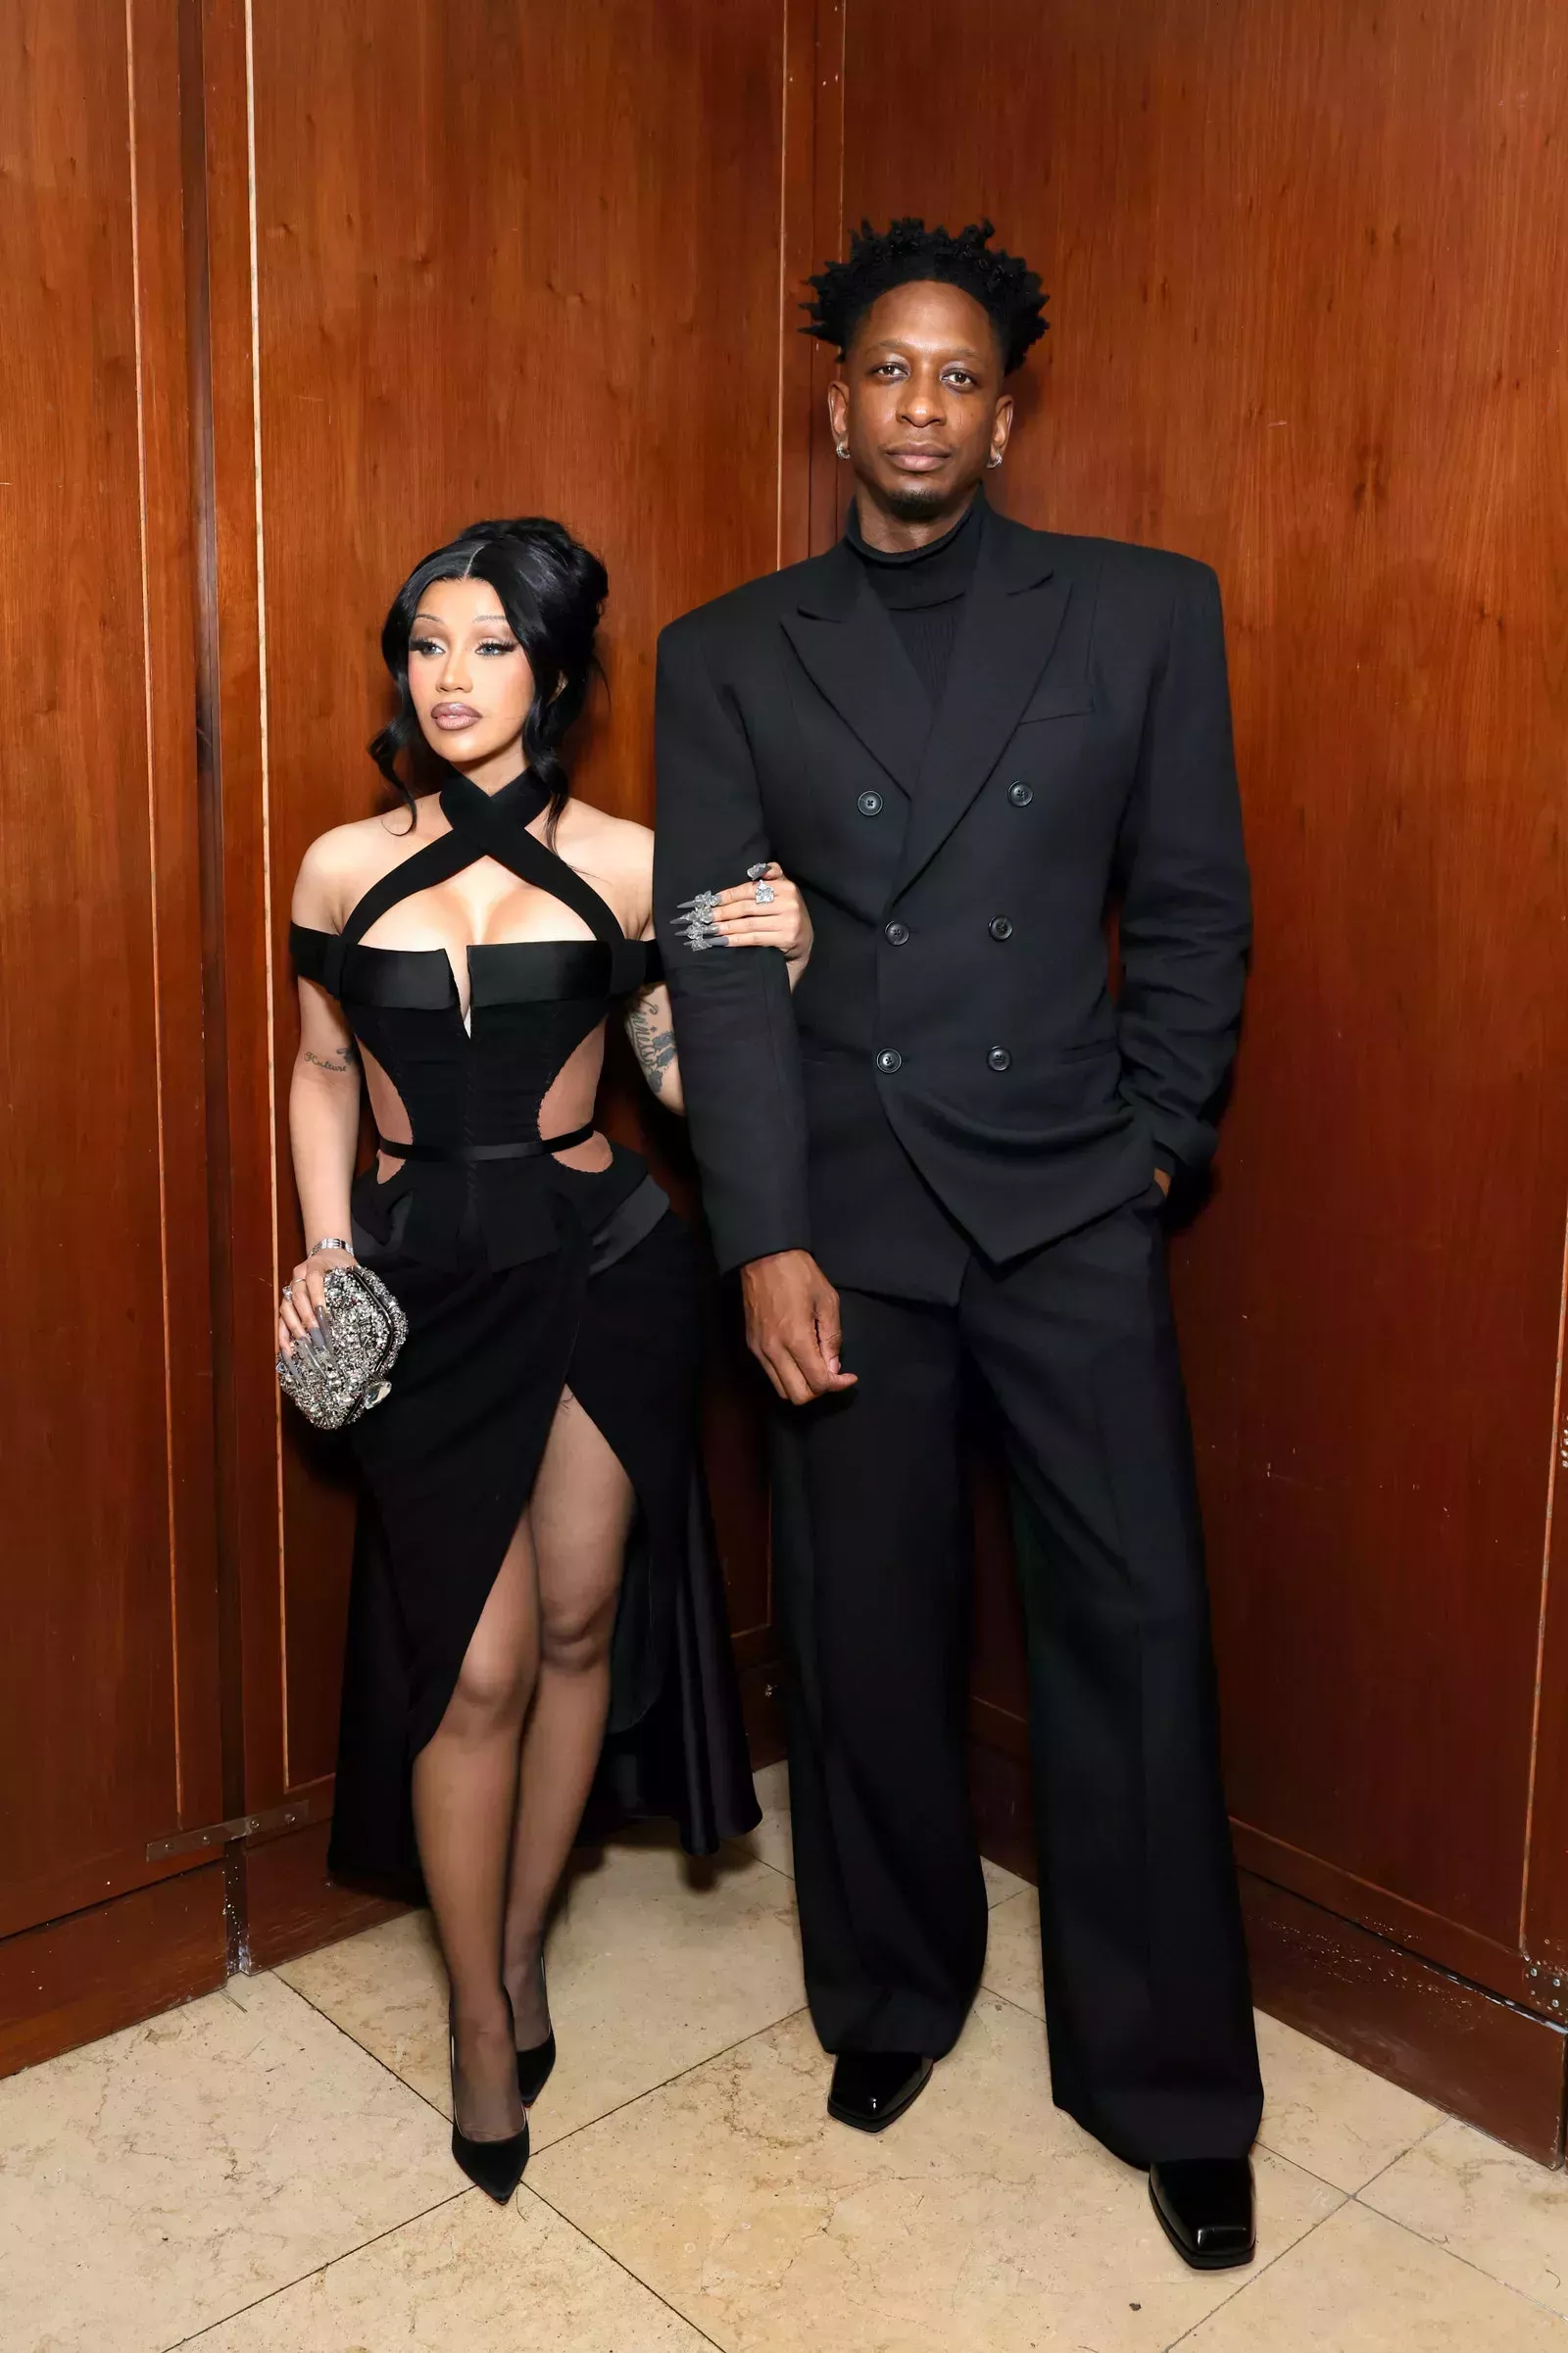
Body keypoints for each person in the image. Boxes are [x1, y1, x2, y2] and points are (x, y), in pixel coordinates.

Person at [654, 220, 1263, 2270]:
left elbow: (1192, 904)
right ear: (833, 404)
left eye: (959, 377)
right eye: (888, 371)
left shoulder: (1142, 611)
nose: (920, 406)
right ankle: (894, 1993)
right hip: (847, 1218)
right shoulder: (728, 652)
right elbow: (717, 968)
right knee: (864, 1634)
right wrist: (762, 1236)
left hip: (1070, 1202)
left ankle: (1168, 2085)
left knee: (1136, 1636)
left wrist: (1156, 1144)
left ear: (1005, 415)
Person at [279, 517, 812, 2202]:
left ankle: (518, 1950)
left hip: (602, 1267)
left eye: (492, 645)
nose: (452, 677)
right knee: (478, 1663)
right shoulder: (339, 867)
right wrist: (328, 1253)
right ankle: (476, 2022)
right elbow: (320, 1068)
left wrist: (773, 973)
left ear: (555, 670)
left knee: (579, 1622)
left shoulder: (637, 864)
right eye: (428, 644)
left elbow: (679, 1070)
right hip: (422, 1283)